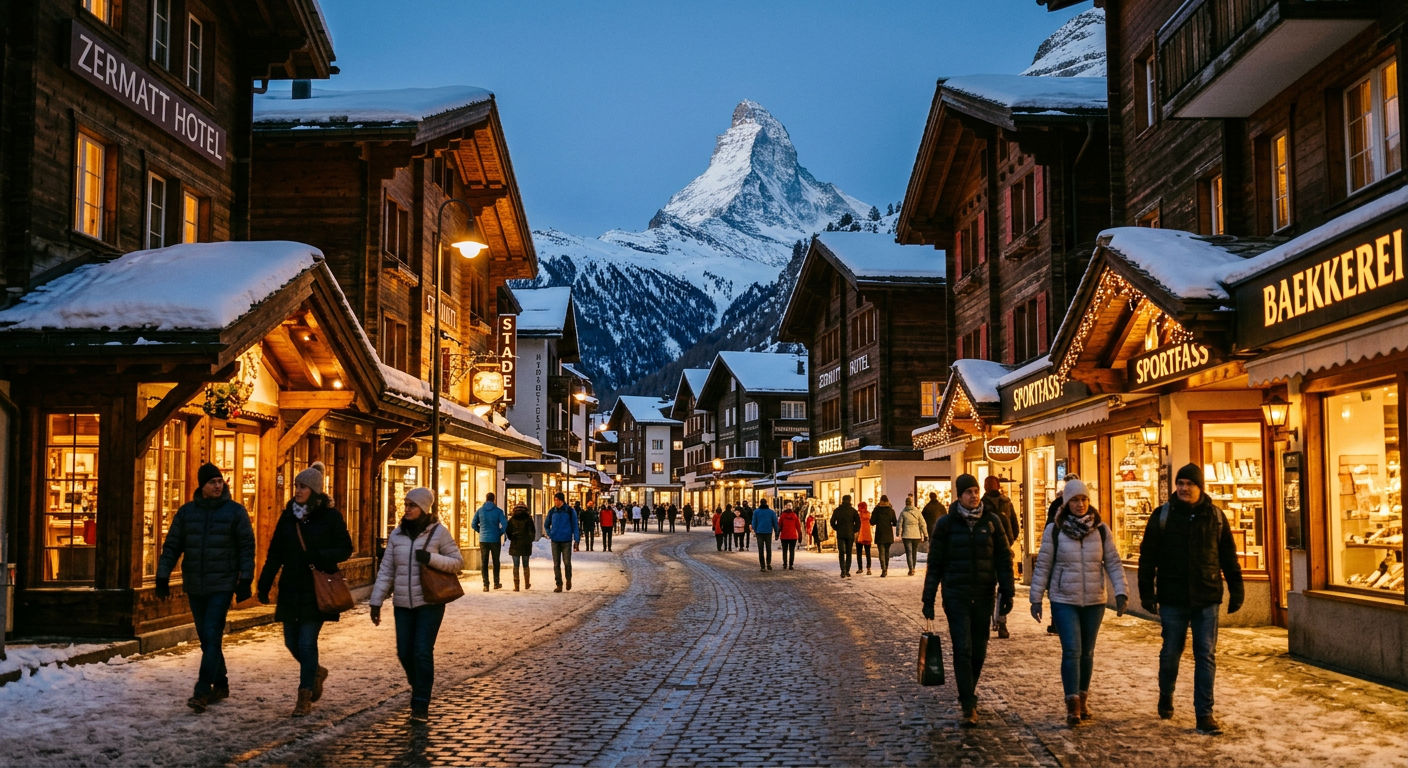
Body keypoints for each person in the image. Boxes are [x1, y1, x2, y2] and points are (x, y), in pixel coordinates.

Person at [1138, 463, 1244, 736]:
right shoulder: (1162, 516)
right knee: (1171, 652)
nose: (1184, 488)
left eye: (1190, 484)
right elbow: (1148, 557)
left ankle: (1204, 713)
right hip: (1173, 597)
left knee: (1205, 655)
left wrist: (1237, 588)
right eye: (1180, 483)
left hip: (1206, 596)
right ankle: (1166, 694)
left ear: (1200, 487)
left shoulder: (1216, 517)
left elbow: (1228, 557)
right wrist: (1146, 593)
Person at [156, 462, 256, 713]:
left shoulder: (235, 512)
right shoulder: (187, 513)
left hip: (222, 584)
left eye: (220, 481)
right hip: (196, 584)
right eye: (213, 482)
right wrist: (162, 575)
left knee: (212, 633)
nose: (218, 485)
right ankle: (221, 683)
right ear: (202, 485)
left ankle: (202, 690)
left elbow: (246, 546)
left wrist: (245, 579)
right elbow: (172, 546)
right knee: (207, 639)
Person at [256, 462, 353, 717]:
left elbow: (345, 548)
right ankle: (316, 672)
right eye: (296, 486)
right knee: (291, 642)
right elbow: (275, 552)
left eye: (303, 487)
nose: (297, 490)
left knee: (307, 642)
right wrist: (263, 585)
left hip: (316, 589)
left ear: (315, 490)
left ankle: (304, 695)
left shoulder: (330, 516)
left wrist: (319, 555)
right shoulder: (289, 515)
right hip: (290, 587)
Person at [1028, 478, 1127, 727]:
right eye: (1075, 500)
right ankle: (1072, 702)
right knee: (1072, 650)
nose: (1080, 504)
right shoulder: (1055, 530)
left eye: (1084, 499)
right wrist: (1036, 597)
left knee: (1087, 652)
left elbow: (1113, 562)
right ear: (1066, 502)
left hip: (1094, 599)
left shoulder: (1101, 529)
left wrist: (1121, 591)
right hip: (1064, 598)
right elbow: (1043, 564)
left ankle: (1083, 698)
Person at [921, 473, 1014, 727]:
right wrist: (928, 598)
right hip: (956, 595)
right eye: (968, 492)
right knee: (963, 648)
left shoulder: (992, 521)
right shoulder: (946, 524)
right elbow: (935, 564)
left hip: (984, 594)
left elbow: (1004, 559)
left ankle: (968, 691)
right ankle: (968, 702)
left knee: (979, 649)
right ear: (959, 496)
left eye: (975, 491)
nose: (973, 496)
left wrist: (1007, 591)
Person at [369, 487, 463, 723]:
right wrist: (376, 601)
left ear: (423, 508)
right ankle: (419, 684)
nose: (407, 509)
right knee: (404, 652)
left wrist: (430, 558)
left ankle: (420, 703)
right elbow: (387, 570)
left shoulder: (439, 533)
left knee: (421, 651)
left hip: (429, 602)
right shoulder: (397, 535)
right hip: (402, 603)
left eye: (412, 505)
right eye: (406, 504)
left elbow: (457, 562)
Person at [1044, 473, 1081, 635]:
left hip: (1063, 556)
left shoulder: (1056, 504)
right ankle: (1062, 620)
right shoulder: (1059, 505)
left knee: (1058, 588)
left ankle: (1058, 621)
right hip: (1062, 555)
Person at [984, 476, 1020, 639]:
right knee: (997, 588)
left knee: (999, 588)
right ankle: (998, 621)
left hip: (994, 552)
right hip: (994, 552)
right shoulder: (1003, 502)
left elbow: (1014, 526)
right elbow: (1015, 526)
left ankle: (999, 620)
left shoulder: (985, 504)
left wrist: (1007, 542)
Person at [471, 493, 507, 592]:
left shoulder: (480, 511)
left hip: (483, 540)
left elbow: (473, 524)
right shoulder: (499, 511)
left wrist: (480, 531)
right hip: (495, 540)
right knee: (496, 561)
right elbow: (505, 524)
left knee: (484, 562)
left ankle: (485, 584)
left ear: (486, 499)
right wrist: (499, 532)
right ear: (494, 499)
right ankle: (496, 583)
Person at [545, 492, 580, 592]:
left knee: (567, 562)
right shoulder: (552, 511)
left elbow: (575, 526)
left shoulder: (569, 511)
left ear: (561, 500)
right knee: (556, 564)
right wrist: (550, 533)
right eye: (554, 500)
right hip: (555, 540)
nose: (555, 502)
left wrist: (576, 540)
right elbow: (546, 524)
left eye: (556, 500)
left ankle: (568, 579)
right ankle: (559, 584)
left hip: (566, 541)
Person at [505, 503, 535, 591]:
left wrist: (512, 538)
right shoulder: (529, 519)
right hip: (526, 544)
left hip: (515, 544)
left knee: (516, 565)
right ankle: (526, 583)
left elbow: (508, 531)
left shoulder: (512, 519)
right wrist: (530, 540)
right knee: (526, 565)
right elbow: (533, 531)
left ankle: (516, 586)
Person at [829, 495, 861, 578]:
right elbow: (858, 522)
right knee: (849, 552)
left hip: (840, 534)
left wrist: (837, 528)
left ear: (842, 500)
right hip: (850, 534)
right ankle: (847, 570)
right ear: (850, 500)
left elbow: (832, 521)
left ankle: (843, 570)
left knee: (841, 552)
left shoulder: (837, 510)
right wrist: (854, 530)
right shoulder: (853, 511)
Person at [870, 495, 899, 578]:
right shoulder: (891, 510)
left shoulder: (876, 510)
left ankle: (884, 569)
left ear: (880, 501)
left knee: (881, 553)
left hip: (880, 533)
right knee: (887, 552)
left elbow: (872, 522)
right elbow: (895, 523)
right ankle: (886, 568)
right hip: (888, 534)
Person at [899, 494, 927, 576]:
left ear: (906, 503)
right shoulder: (918, 512)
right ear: (912, 503)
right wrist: (925, 534)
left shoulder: (903, 512)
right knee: (914, 552)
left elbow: (899, 524)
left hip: (906, 535)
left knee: (909, 552)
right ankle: (913, 568)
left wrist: (898, 532)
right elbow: (923, 523)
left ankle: (911, 569)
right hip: (916, 535)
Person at [751, 498, 779, 572]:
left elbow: (753, 523)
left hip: (759, 532)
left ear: (760, 503)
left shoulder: (756, 512)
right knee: (768, 549)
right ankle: (768, 563)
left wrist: (755, 530)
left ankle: (762, 566)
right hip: (768, 532)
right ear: (766, 503)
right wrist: (776, 532)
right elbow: (775, 523)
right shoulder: (771, 512)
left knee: (761, 549)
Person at [778, 501, 803, 570]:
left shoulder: (783, 515)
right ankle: (791, 565)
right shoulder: (794, 516)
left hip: (784, 536)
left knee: (785, 551)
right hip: (793, 536)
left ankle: (785, 564)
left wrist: (777, 533)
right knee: (792, 551)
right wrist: (800, 536)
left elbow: (779, 525)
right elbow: (798, 527)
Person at [855, 501, 874, 576]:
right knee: (868, 553)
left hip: (859, 535)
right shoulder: (869, 514)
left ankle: (860, 568)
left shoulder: (858, 515)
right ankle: (868, 569)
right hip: (867, 535)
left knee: (859, 553)